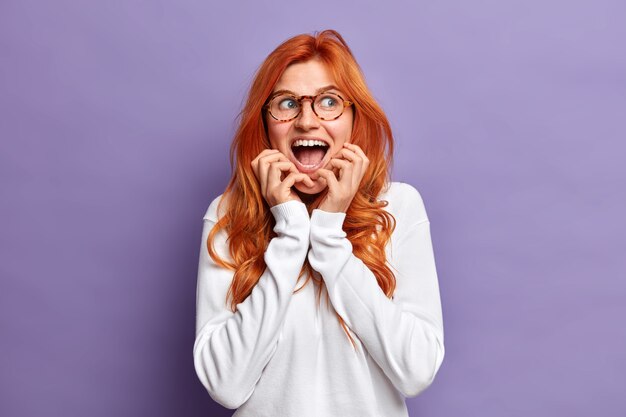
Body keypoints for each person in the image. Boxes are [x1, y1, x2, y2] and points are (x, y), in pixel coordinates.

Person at [193, 29, 445, 417]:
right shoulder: (229, 215)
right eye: (287, 103)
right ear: (265, 123)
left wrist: (329, 230)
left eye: (329, 102)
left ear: (353, 118)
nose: (307, 121)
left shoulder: (399, 206)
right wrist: (291, 230)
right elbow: (226, 383)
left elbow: (416, 370)